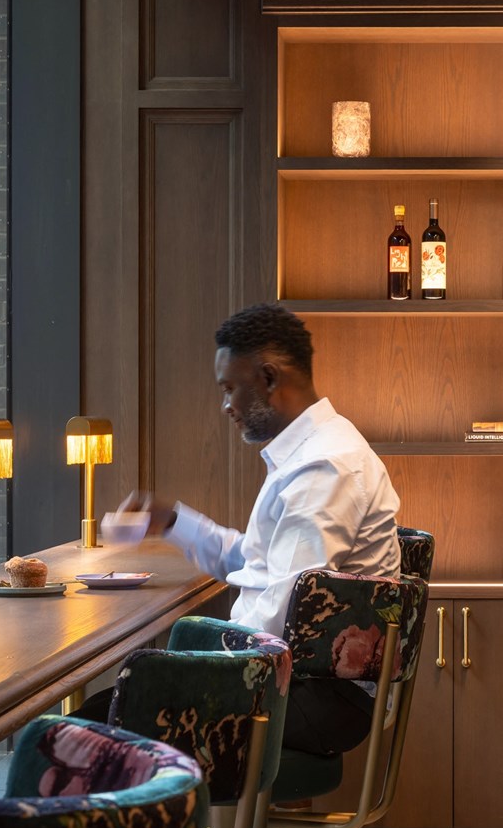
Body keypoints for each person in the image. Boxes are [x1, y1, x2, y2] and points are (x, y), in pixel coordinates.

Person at [117, 303, 402, 756]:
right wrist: (174, 523)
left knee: (94, 724)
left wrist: (197, 661)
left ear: (268, 378)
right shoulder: (312, 453)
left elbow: (282, 612)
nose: (225, 405)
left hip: (311, 697)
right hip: (292, 681)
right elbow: (259, 563)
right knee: (107, 709)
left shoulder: (323, 466)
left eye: (230, 388)